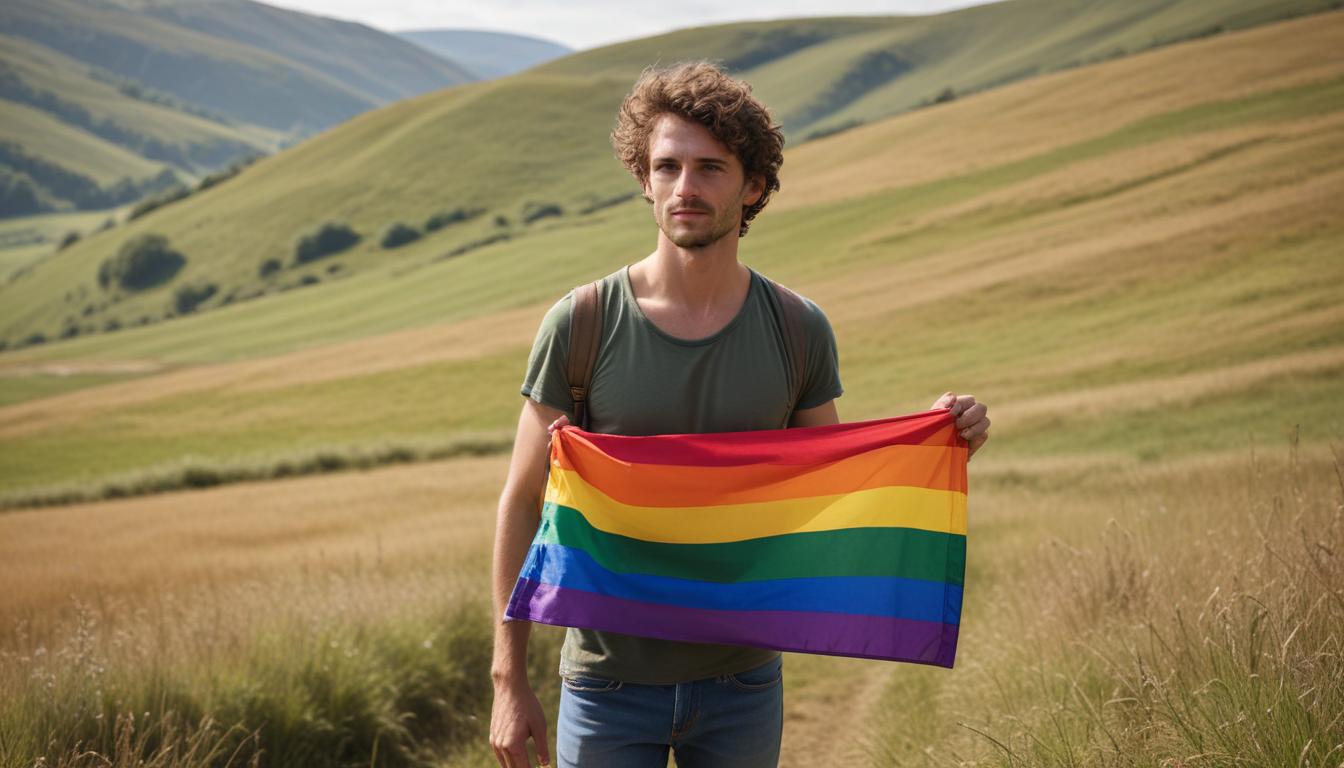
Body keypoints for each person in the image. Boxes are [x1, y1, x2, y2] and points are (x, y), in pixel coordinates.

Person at [489, 61, 991, 768]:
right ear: (644, 180)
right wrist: (508, 680)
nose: (685, 188)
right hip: (605, 684)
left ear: (753, 185)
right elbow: (522, 500)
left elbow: (831, 491)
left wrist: (936, 442)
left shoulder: (797, 328)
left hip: (743, 686)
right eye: (667, 167)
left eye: (710, 168)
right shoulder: (581, 324)